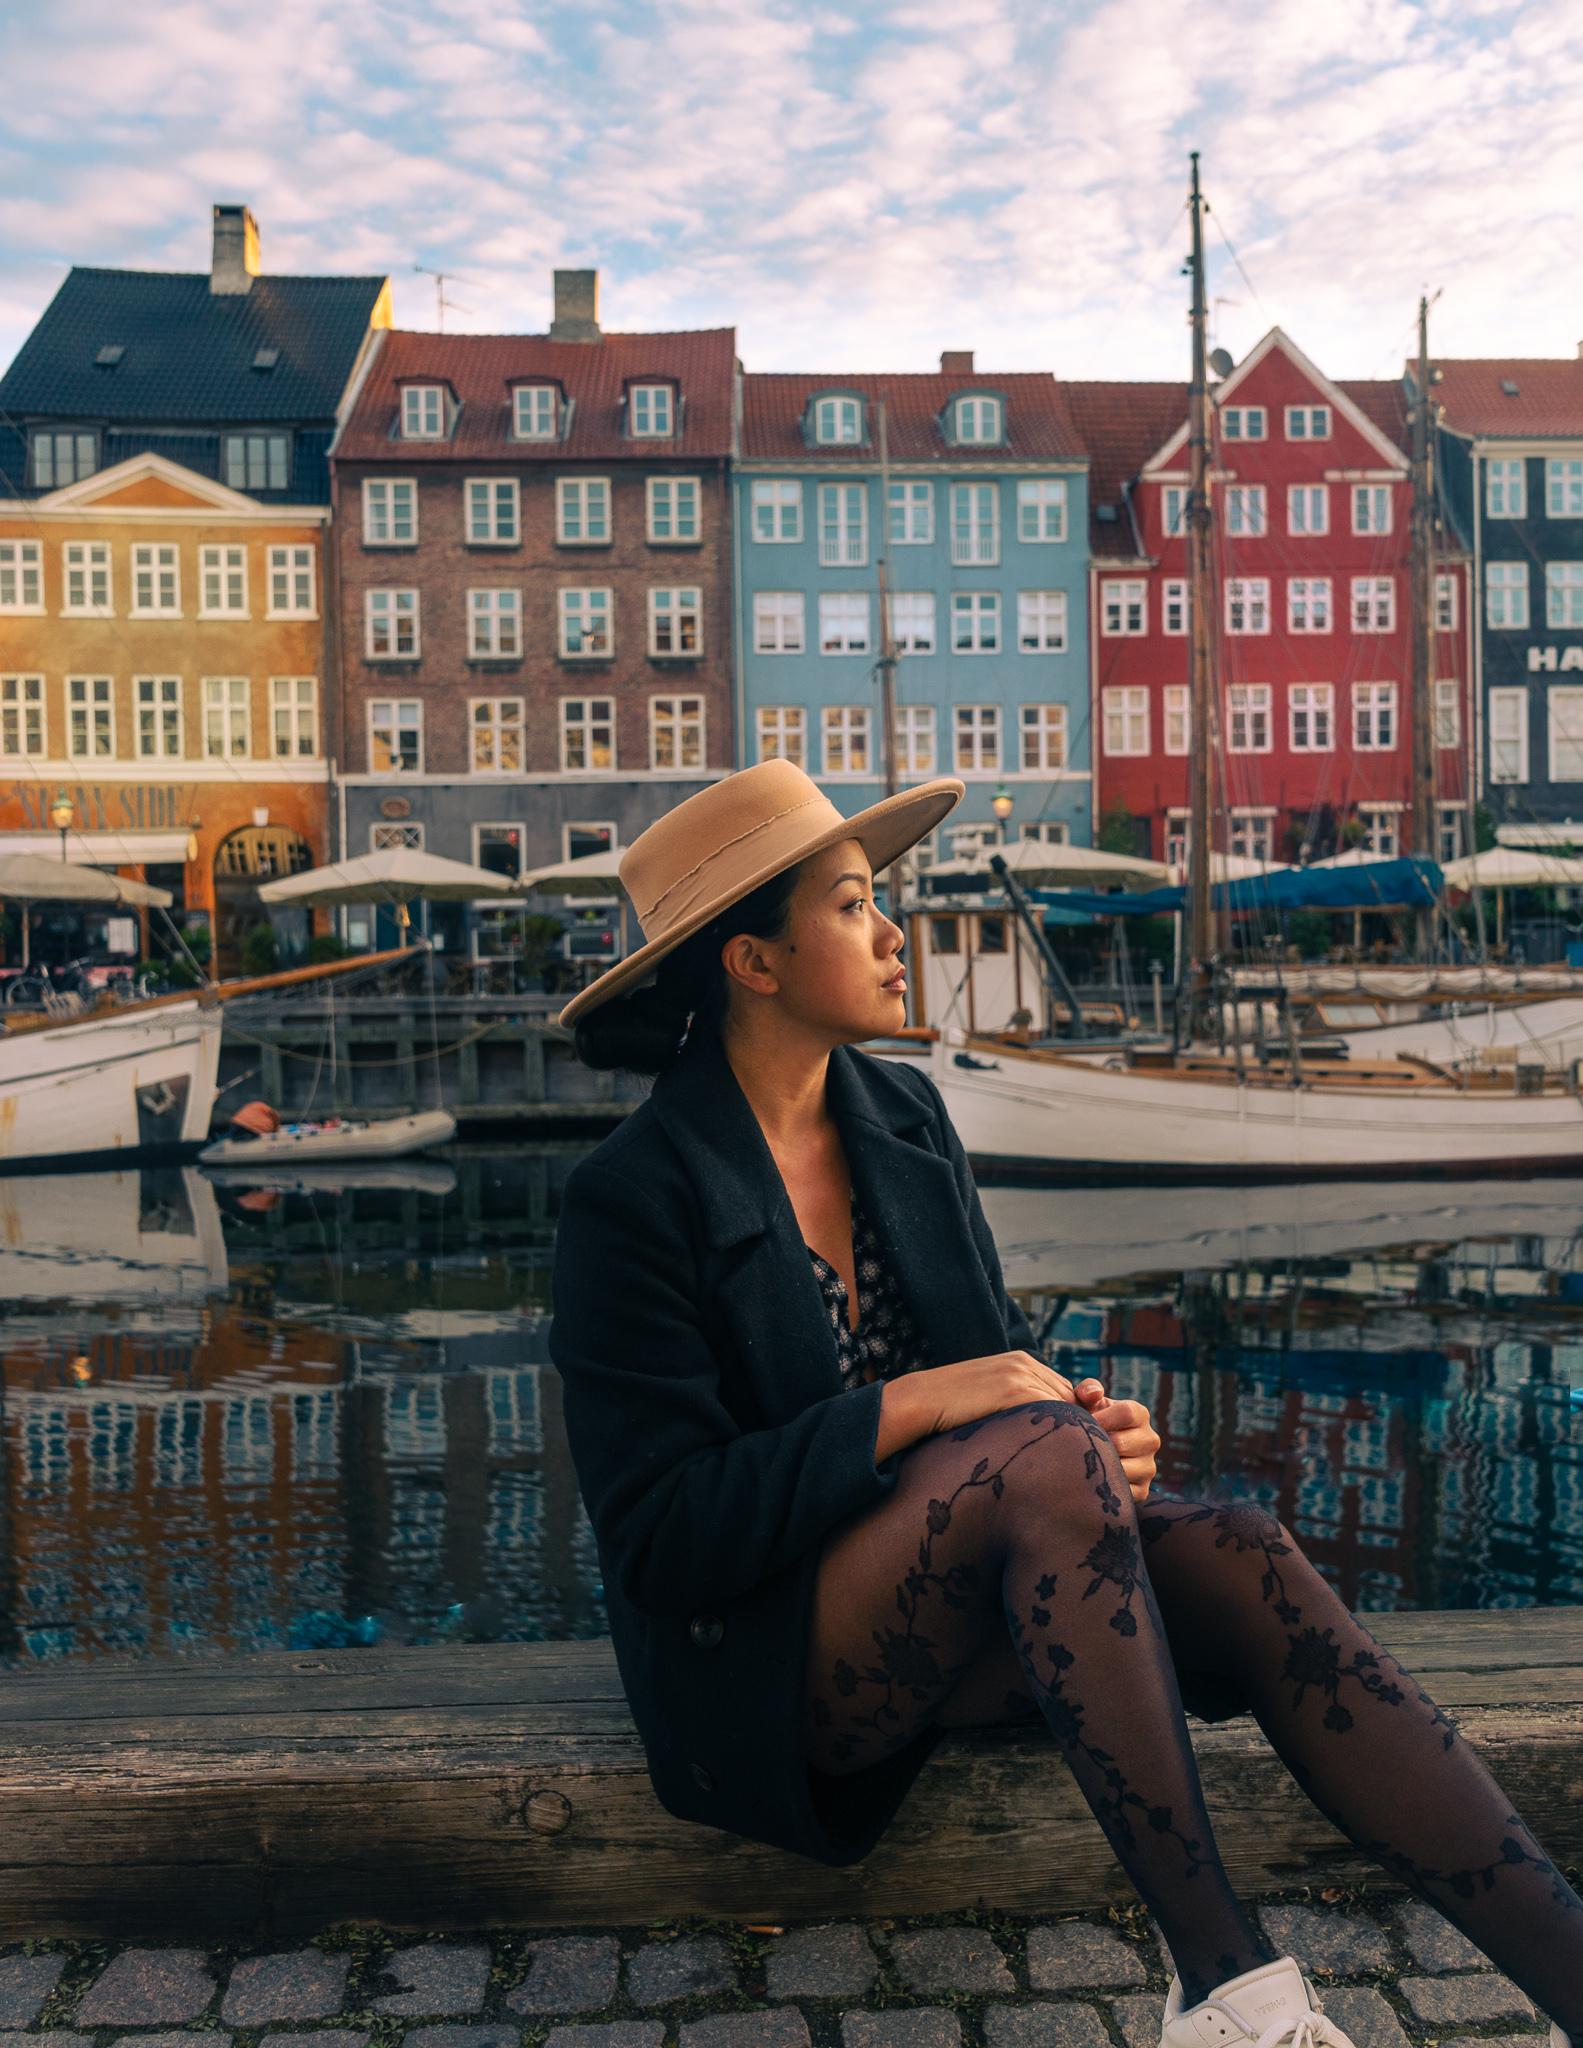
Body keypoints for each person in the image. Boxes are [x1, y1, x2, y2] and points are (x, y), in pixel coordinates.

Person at [547, 760, 1580, 2048]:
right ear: (753, 964)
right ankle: (1226, 1994)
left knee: (1244, 1552)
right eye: (856, 903)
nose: (891, 934)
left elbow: (1002, 1377)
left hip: (969, 1599)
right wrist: (933, 1410)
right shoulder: (632, 1195)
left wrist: (1090, 1440)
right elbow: (662, 1541)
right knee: (1037, 1456)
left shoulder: (906, 1118)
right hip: (764, 1672)